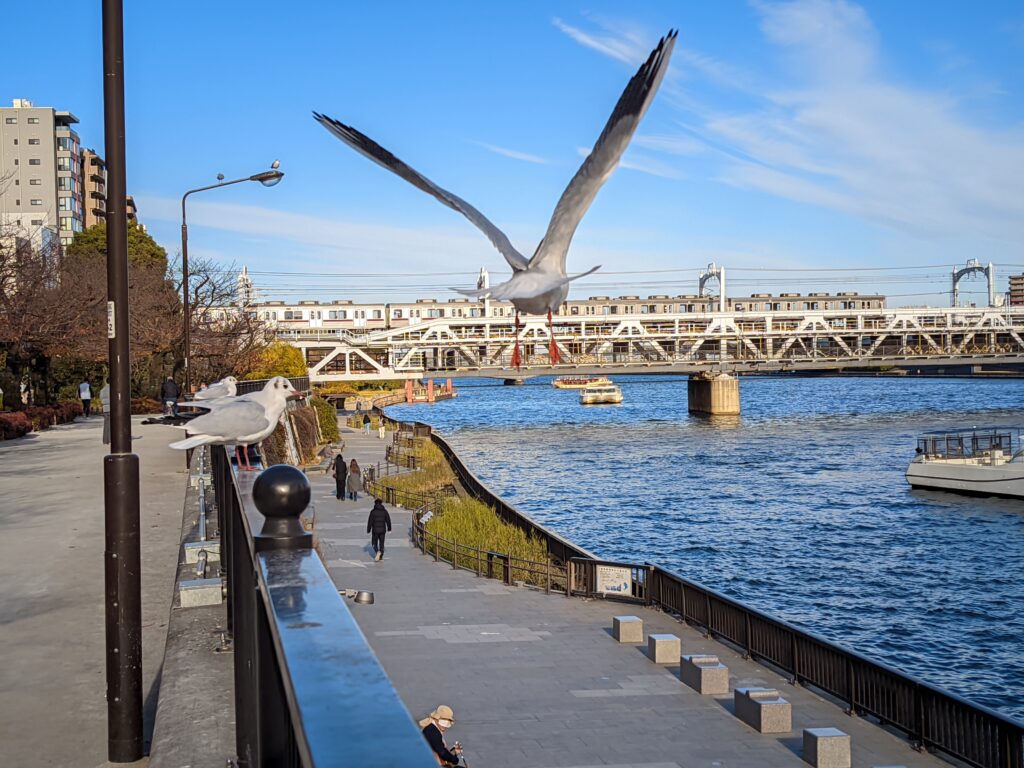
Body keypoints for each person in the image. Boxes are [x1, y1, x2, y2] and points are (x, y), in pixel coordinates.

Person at [100, 381, 111, 445]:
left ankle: (105, 440)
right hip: (111, 407)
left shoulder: (102, 390)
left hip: (105, 408)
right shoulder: (112, 389)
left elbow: (101, 399)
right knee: (111, 424)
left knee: (106, 424)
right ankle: (110, 439)